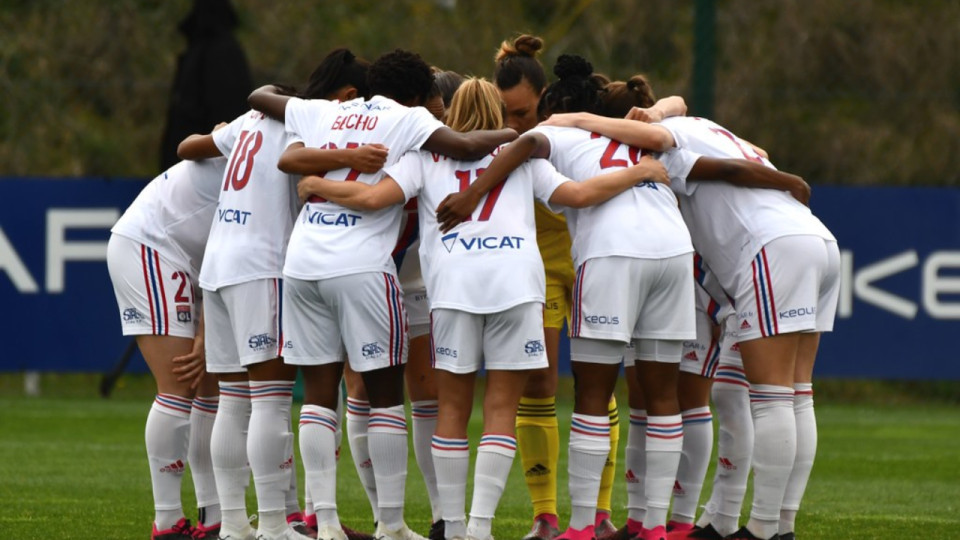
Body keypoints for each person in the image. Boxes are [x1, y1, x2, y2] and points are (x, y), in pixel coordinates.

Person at [437, 55, 811, 540]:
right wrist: (788, 180)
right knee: (662, 398)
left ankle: (580, 527)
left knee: (593, 393)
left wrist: (472, 194)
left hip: (611, 253)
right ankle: (654, 525)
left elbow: (526, 143)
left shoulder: (562, 133)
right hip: (673, 253)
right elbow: (726, 169)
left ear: (557, 108)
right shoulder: (649, 144)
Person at [295, 76, 669, 540]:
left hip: (452, 288)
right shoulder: (522, 156)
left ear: (450, 113)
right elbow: (578, 195)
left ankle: (451, 527)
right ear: (497, 111)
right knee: (500, 409)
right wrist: (637, 173)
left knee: (451, 408)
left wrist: (316, 185)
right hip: (515, 285)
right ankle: (480, 528)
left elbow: (373, 198)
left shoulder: (424, 156)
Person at [542, 82, 836, 540]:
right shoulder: (706, 124)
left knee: (771, 396)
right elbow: (702, 126)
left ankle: (763, 529)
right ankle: (758, 520)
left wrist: (577, 120)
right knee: (793, 392)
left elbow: (684, 149)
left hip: (766, 246)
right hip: (816, 240)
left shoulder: (665, 137)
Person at [247, 49, 517, 540]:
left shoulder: (325, 110)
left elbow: (260, 96)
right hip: (361, 267)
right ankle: (391, 523)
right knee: (388, 400)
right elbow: (464, 145)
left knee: (318, 398)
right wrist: (519, 135)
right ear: (417, 96)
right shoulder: (407, 117)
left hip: (303, 263)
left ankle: (323, 520)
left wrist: (334, 152)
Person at [177, 48, 383, 540]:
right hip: (262, 266)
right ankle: (272, 524)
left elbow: (189, 147)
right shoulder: (308, 125)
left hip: (219, 266)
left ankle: (232, 525)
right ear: (347, 97)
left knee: (232, 400)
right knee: (269, 401)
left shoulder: (252, 118)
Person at [492, 34, 620, 540]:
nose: (513, 124)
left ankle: (600, 513)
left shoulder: (575, 128)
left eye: (522, 113)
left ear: (545, 99)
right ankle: (544, 516)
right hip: (538, 266)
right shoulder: (497, 140)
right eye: (504, 113)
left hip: (590, 259)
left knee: (597, 384)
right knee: (539, 383)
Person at [106, 150, 226, 540]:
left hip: (184, 254)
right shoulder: (277, 148)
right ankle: (167, 522)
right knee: (181, 383)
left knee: (210, 385)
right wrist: (205, 335)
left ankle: (214, 519)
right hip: (155, 245)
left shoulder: (263, 138)